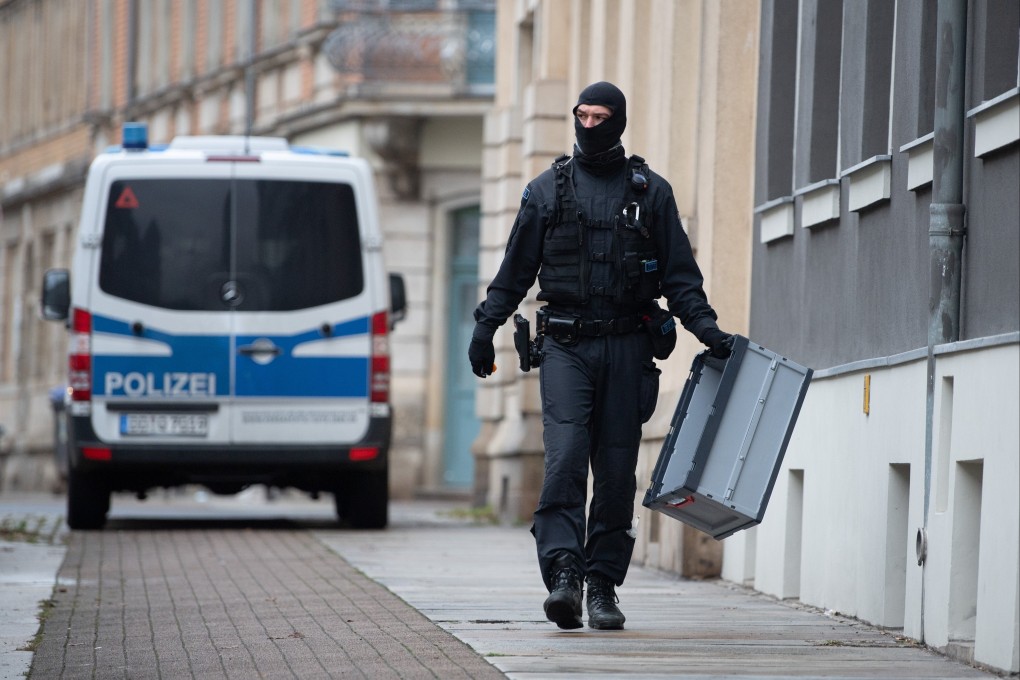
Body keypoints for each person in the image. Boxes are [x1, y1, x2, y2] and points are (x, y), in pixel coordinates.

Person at [468, 81, 732, 631]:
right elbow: (514, 273)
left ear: (618, 121)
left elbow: (681, 278)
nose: (589, 126)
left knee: (614, 474)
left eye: (600, 117)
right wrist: (485, 327)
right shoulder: (547, 191)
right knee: (564, 458)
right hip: (566, 347)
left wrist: (708, 332)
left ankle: (603, 585)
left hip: (627, 346)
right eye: (581, 116)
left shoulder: (651, 194)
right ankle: (564, 574)